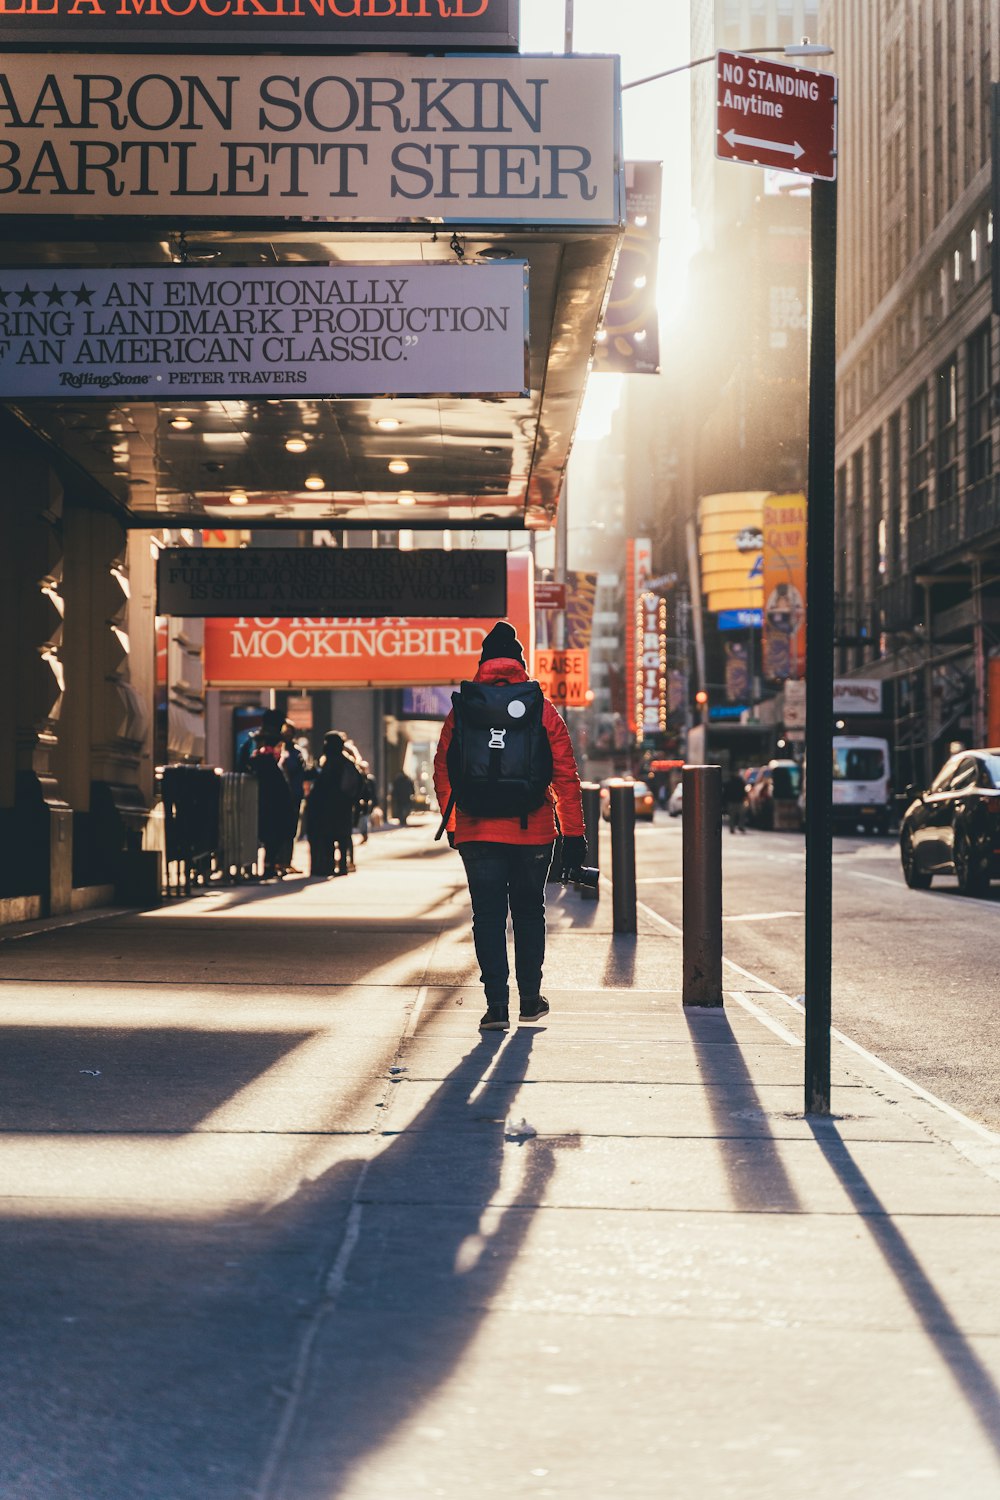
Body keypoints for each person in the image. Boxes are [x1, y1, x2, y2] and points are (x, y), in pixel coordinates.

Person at [433, 620, 586, 1033]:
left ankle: (496, 1006)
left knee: (487, 916)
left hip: (477, 829)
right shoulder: (541, 706)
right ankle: (531, 1000)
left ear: (483, 662)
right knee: (529, 913)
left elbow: (443, 768)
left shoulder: (463, 707)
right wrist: (574, 834)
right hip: (531, 830)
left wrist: (452, 820)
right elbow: (566, 775)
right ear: (520, 662)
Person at [305, 732, 363, 877]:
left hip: (329, 808)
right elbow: (359, 785)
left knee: (328, 838)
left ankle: (329, 866)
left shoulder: (330, 763)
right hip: (344, 807)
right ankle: (342, 866)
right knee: (343, 838)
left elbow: (322, 787)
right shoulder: (348, 763)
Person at [249, 724, 296, 878]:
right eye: (280, 746)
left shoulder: (263, 760)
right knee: (273, 838)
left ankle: (268, 866)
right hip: (273, 807)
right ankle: (269, 867)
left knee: (271, 838)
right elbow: (278, 788)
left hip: (268, 806)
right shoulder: (269, 762)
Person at [724, 768, 747, 834]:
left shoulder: (730, 782)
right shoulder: (739, 781)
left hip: (736, 801)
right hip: (736, 801)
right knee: (737, 815)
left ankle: (735, 827)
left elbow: (726, 793)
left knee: (734, 815)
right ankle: (737, 827)